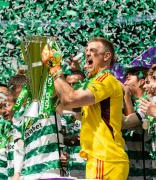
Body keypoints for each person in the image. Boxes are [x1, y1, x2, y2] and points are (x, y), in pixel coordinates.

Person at [43, 37, 129, 179]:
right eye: (86, 51)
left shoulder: (105, 79)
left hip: (105, 158)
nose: (87, 54)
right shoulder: (96, 82)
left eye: (93, 51)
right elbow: (65, 101)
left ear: (107, 56)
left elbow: (71, 99)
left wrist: (54, 67)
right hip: (102, 159)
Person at [122, 66, 154, 180]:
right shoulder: (128, 103)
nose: (124, 83)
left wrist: (126, 96)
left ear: (141, 82)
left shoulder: (149, 103)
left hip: (146, 169)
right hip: (129, 167)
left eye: (128, 79)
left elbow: (129, 123)